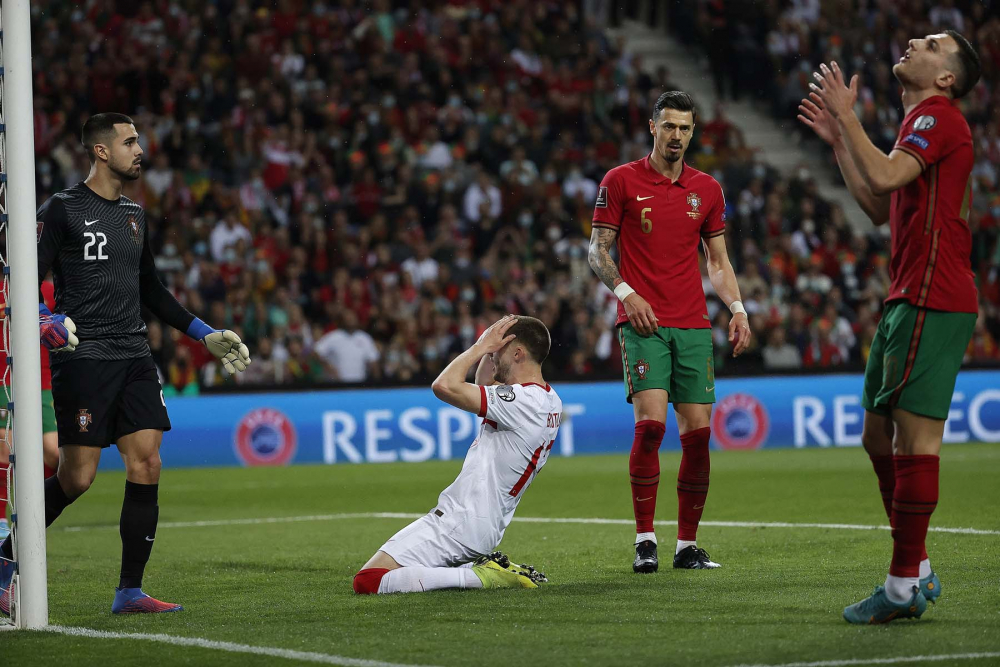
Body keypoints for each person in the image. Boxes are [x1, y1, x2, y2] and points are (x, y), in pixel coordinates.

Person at [0, 113, 252, 616]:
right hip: (83, 357)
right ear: (100, 151)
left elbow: (152, 291)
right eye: (130, 141)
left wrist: (206, 334)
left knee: (148, 461)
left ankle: (129, 591)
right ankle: (5, 554)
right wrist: (44, 319)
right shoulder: (63, 209)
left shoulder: (135, 215)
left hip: (134, 354)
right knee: (78, 478)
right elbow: (26, 275)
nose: (140, 150)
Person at [799, 30, 981, 624]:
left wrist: (849, 120)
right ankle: (918, 566)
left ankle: (902, 587)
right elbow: (880, 205)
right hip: (905, 297)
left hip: (934, 298)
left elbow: (882, 180)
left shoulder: (939, 117)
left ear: (946, 77)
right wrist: (839, 144)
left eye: (930, 43)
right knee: (876, 438)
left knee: (914, 443)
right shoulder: (919, 124)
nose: (912, 41)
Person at [588, 91, 751, 574]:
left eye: (685, 128)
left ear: (692, 132)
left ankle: (686, 546)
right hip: (644, 324)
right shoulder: (620, 181)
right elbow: (597, 252)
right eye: (669, 126)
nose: (677, 135)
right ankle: (644, 539)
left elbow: (718, 262)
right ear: (653, 128)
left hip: (694, 325)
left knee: (698, 436)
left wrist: (738, 308)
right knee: (652, 426)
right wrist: (625, 293)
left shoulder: (708, 189)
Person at [353, 315, 560, 594]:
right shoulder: (547, 399)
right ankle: (479, 568)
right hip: (480, 525)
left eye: (498, 352)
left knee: (369, 580)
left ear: (518, 353)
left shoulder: (523, 402)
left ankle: (486, 576)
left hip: (460, 523)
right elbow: (485, 384)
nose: (492, 356)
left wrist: (479, 347)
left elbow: (445, 386)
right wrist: (491, 346)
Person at [0, 281, 61, 540]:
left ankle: (35, 508)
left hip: (43, 382)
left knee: (53, 453)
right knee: (5, 446)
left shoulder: (50, 290)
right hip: (6, 379)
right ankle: (2, 521)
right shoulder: (3, 288)